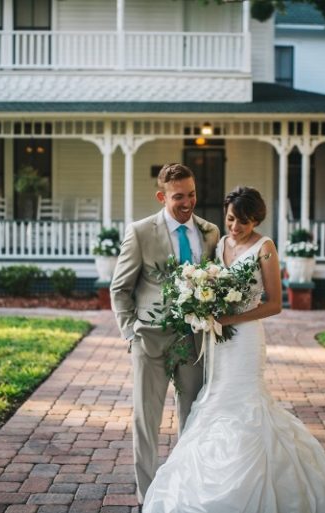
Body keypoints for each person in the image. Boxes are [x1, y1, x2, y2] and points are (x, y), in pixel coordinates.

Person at [143, 186, 325, 513]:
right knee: (215, 400)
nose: (235, 227)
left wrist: (231, 316)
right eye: (231, 219)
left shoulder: (265, 248)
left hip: (246, 338)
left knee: (245, 405)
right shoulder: (220, 245)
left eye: (243, 222)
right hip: (218, 341)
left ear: (256, 219)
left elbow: (274, 304)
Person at [110, 163, 220, 504]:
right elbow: (119, 288)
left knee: (193, 416)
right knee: (148, 420)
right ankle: (148, 497)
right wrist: (131, 333)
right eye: (178, 197)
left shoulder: (210, 232)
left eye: (192, 195)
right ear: (162, 196)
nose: (187, 203)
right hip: (150, 338)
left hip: (193, 341)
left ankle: (186, 489)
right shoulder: (141, 232)